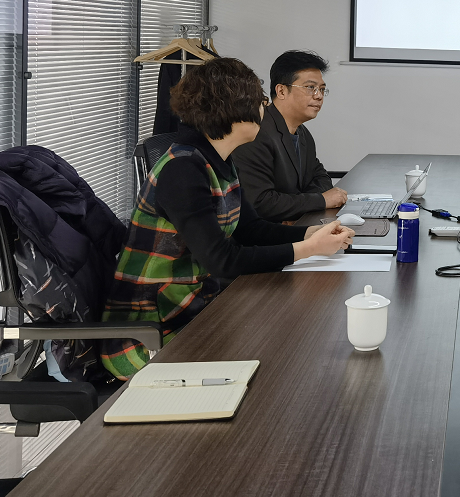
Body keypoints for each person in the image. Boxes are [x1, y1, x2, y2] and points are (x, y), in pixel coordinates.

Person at [101, 58, 354, 379]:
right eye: (260, 101)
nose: (265, 108)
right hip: (150, 330)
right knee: (285, 354)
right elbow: (222, 260)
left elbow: (250, 229)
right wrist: (308, 249)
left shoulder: (218, 160)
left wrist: (310, 235)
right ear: (233, 108)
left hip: (196, 304)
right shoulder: (182, 169)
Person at [232, 50, 347, 223]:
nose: (319, 96)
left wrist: (298, 207)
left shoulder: (303, 133)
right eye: (310, 88)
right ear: (281, 91)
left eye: (322, 89)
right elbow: (260, 202)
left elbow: (321, 178)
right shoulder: (256, 133)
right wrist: (320, 201)